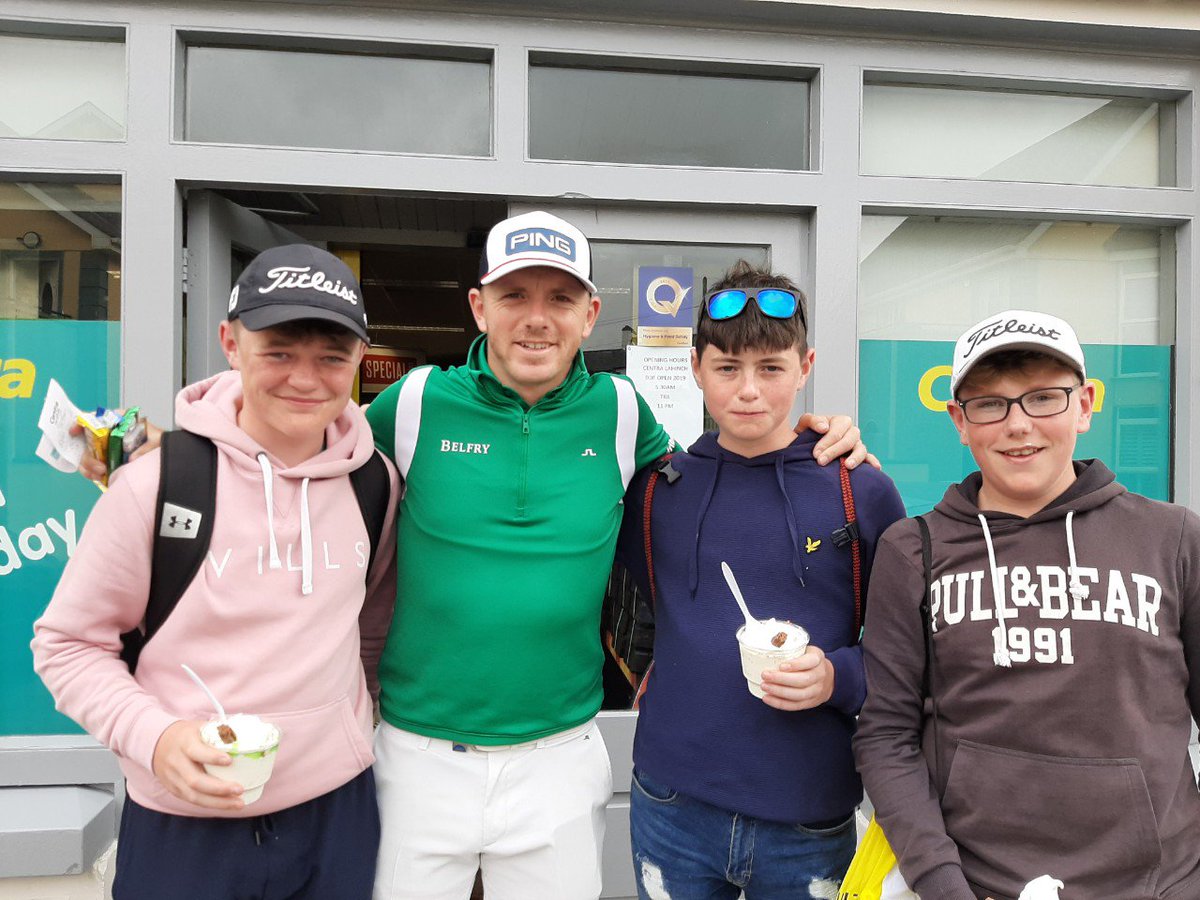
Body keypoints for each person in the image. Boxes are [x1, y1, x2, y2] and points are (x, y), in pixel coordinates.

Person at [363, 212, 872, 900]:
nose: (537, 319)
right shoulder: (414, 402)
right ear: (479, 307)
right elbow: (309, 464)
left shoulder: (622, 413)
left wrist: (821, 435)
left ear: (590, 314)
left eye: (560, 299)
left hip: (560, 755)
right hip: (417, 750)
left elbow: (730, 469)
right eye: (515, 296)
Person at [32, 244, 400, 900]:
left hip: (337, 813)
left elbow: (370, 629)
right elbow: (66, 647)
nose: (306, 378)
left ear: (358, 362)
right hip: (183, 825)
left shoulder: (375, 483)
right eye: (280, 352)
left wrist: (347, 730)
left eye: (331, 357)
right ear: (231, 343)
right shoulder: (158, 485)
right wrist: (157, 738)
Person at [854, 310, 1200, 900]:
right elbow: (885, 734)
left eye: (1044, 398)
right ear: (959, 421)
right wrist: (940, 882)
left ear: (1085, 405)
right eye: (990, 404)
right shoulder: (914, 549)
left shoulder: (1173, 539)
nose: (1019, 425)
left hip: (1156, 884)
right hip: (976, 885)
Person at [613, 261, 905, 900]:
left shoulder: (861, 493)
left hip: (807, 812)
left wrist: (838, 676)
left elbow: (910, 652)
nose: (749, 390)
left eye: (771, 368)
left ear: (805, 368)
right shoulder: (659, 492)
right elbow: (633, 614)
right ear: (695, 368)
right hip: (670, 803)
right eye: (727, 368)